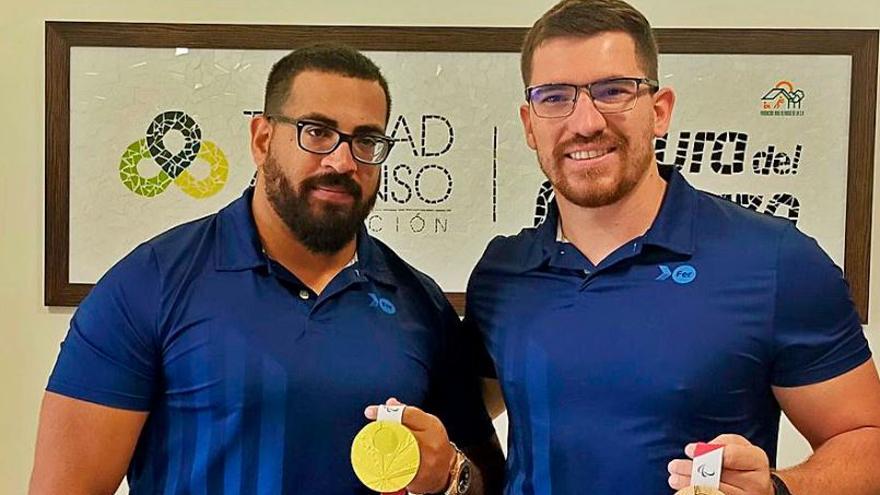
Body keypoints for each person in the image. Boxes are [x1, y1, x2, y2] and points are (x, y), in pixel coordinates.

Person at [30, 44, 504, 495]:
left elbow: (485, 478)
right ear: (262, 139)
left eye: (366, 140)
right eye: (316, 132)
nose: (342, 161)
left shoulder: (418, 304)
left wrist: (450, 475)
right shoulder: (149, 284)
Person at [464, 1, 880, 494]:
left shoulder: (775, 261)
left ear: (659, 111)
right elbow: (464, 420)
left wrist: (778, 488)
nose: (585, 122)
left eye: (613, 91)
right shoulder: (503, 274)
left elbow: (865, 439)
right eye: (555, 97)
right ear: (530, 123)